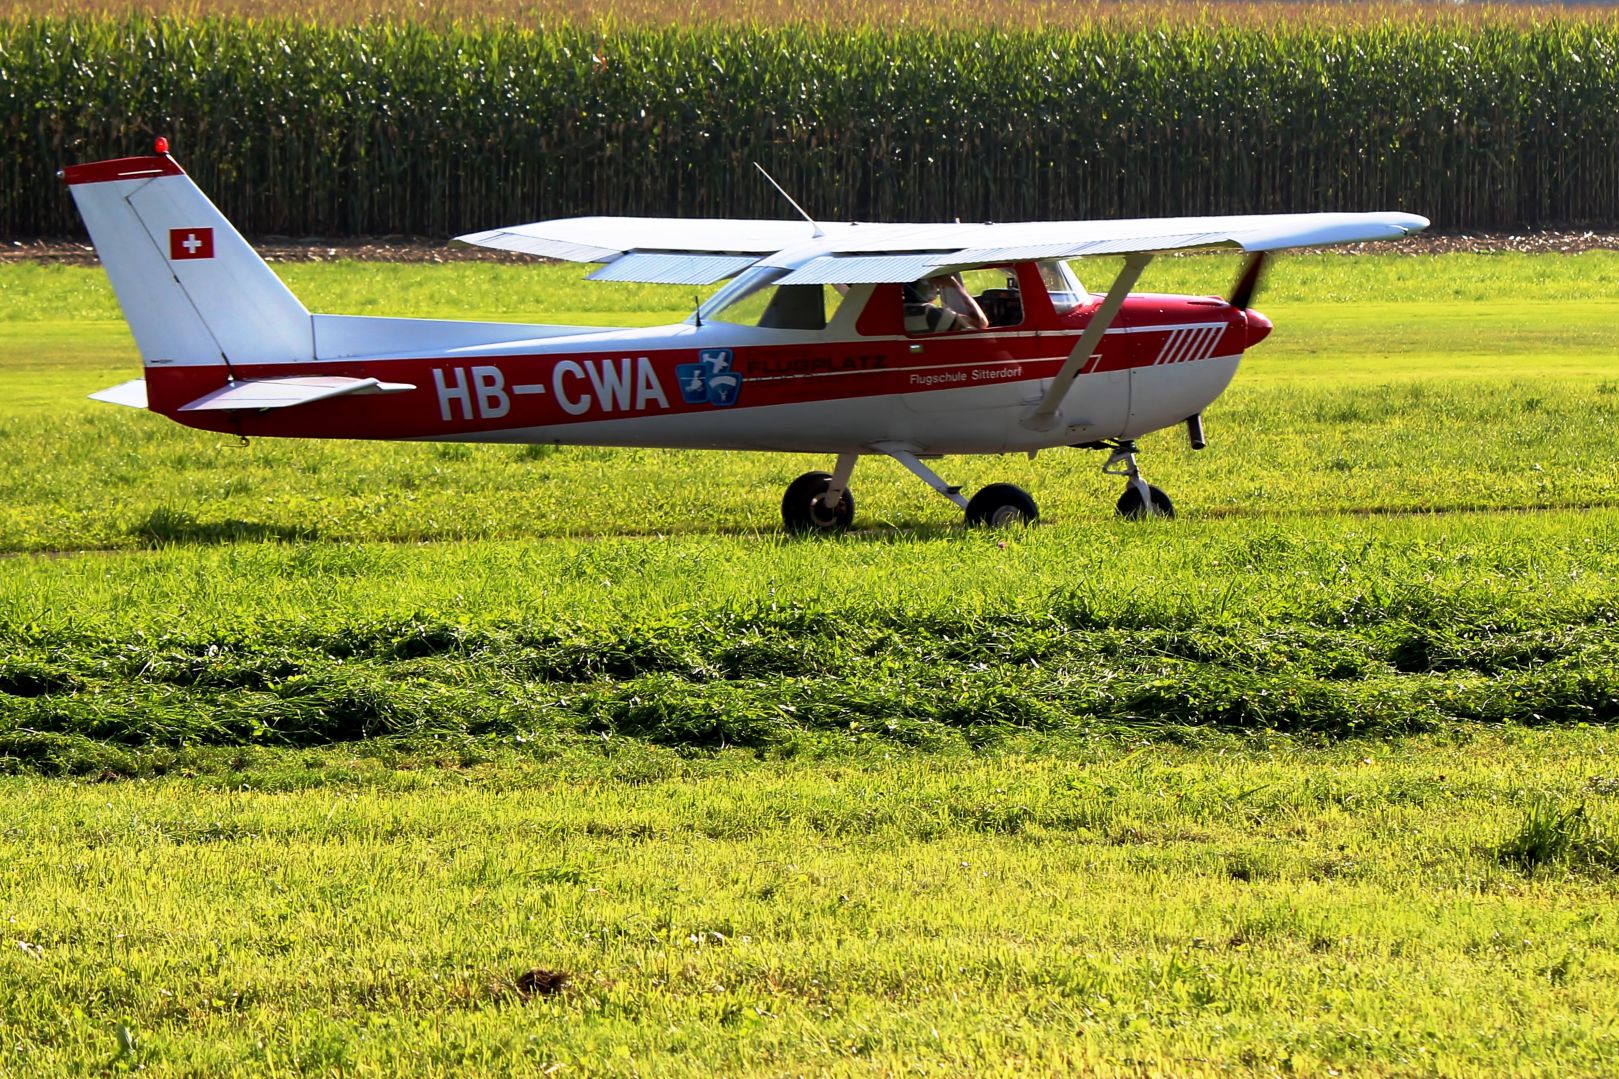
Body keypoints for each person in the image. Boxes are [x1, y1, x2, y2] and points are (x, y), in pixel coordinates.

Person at [902, 274, 989, 333]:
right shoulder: (933, 314)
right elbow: (981, 323)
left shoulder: (902, 313)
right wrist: (955, 285)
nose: (937, 287)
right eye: (933, 283)